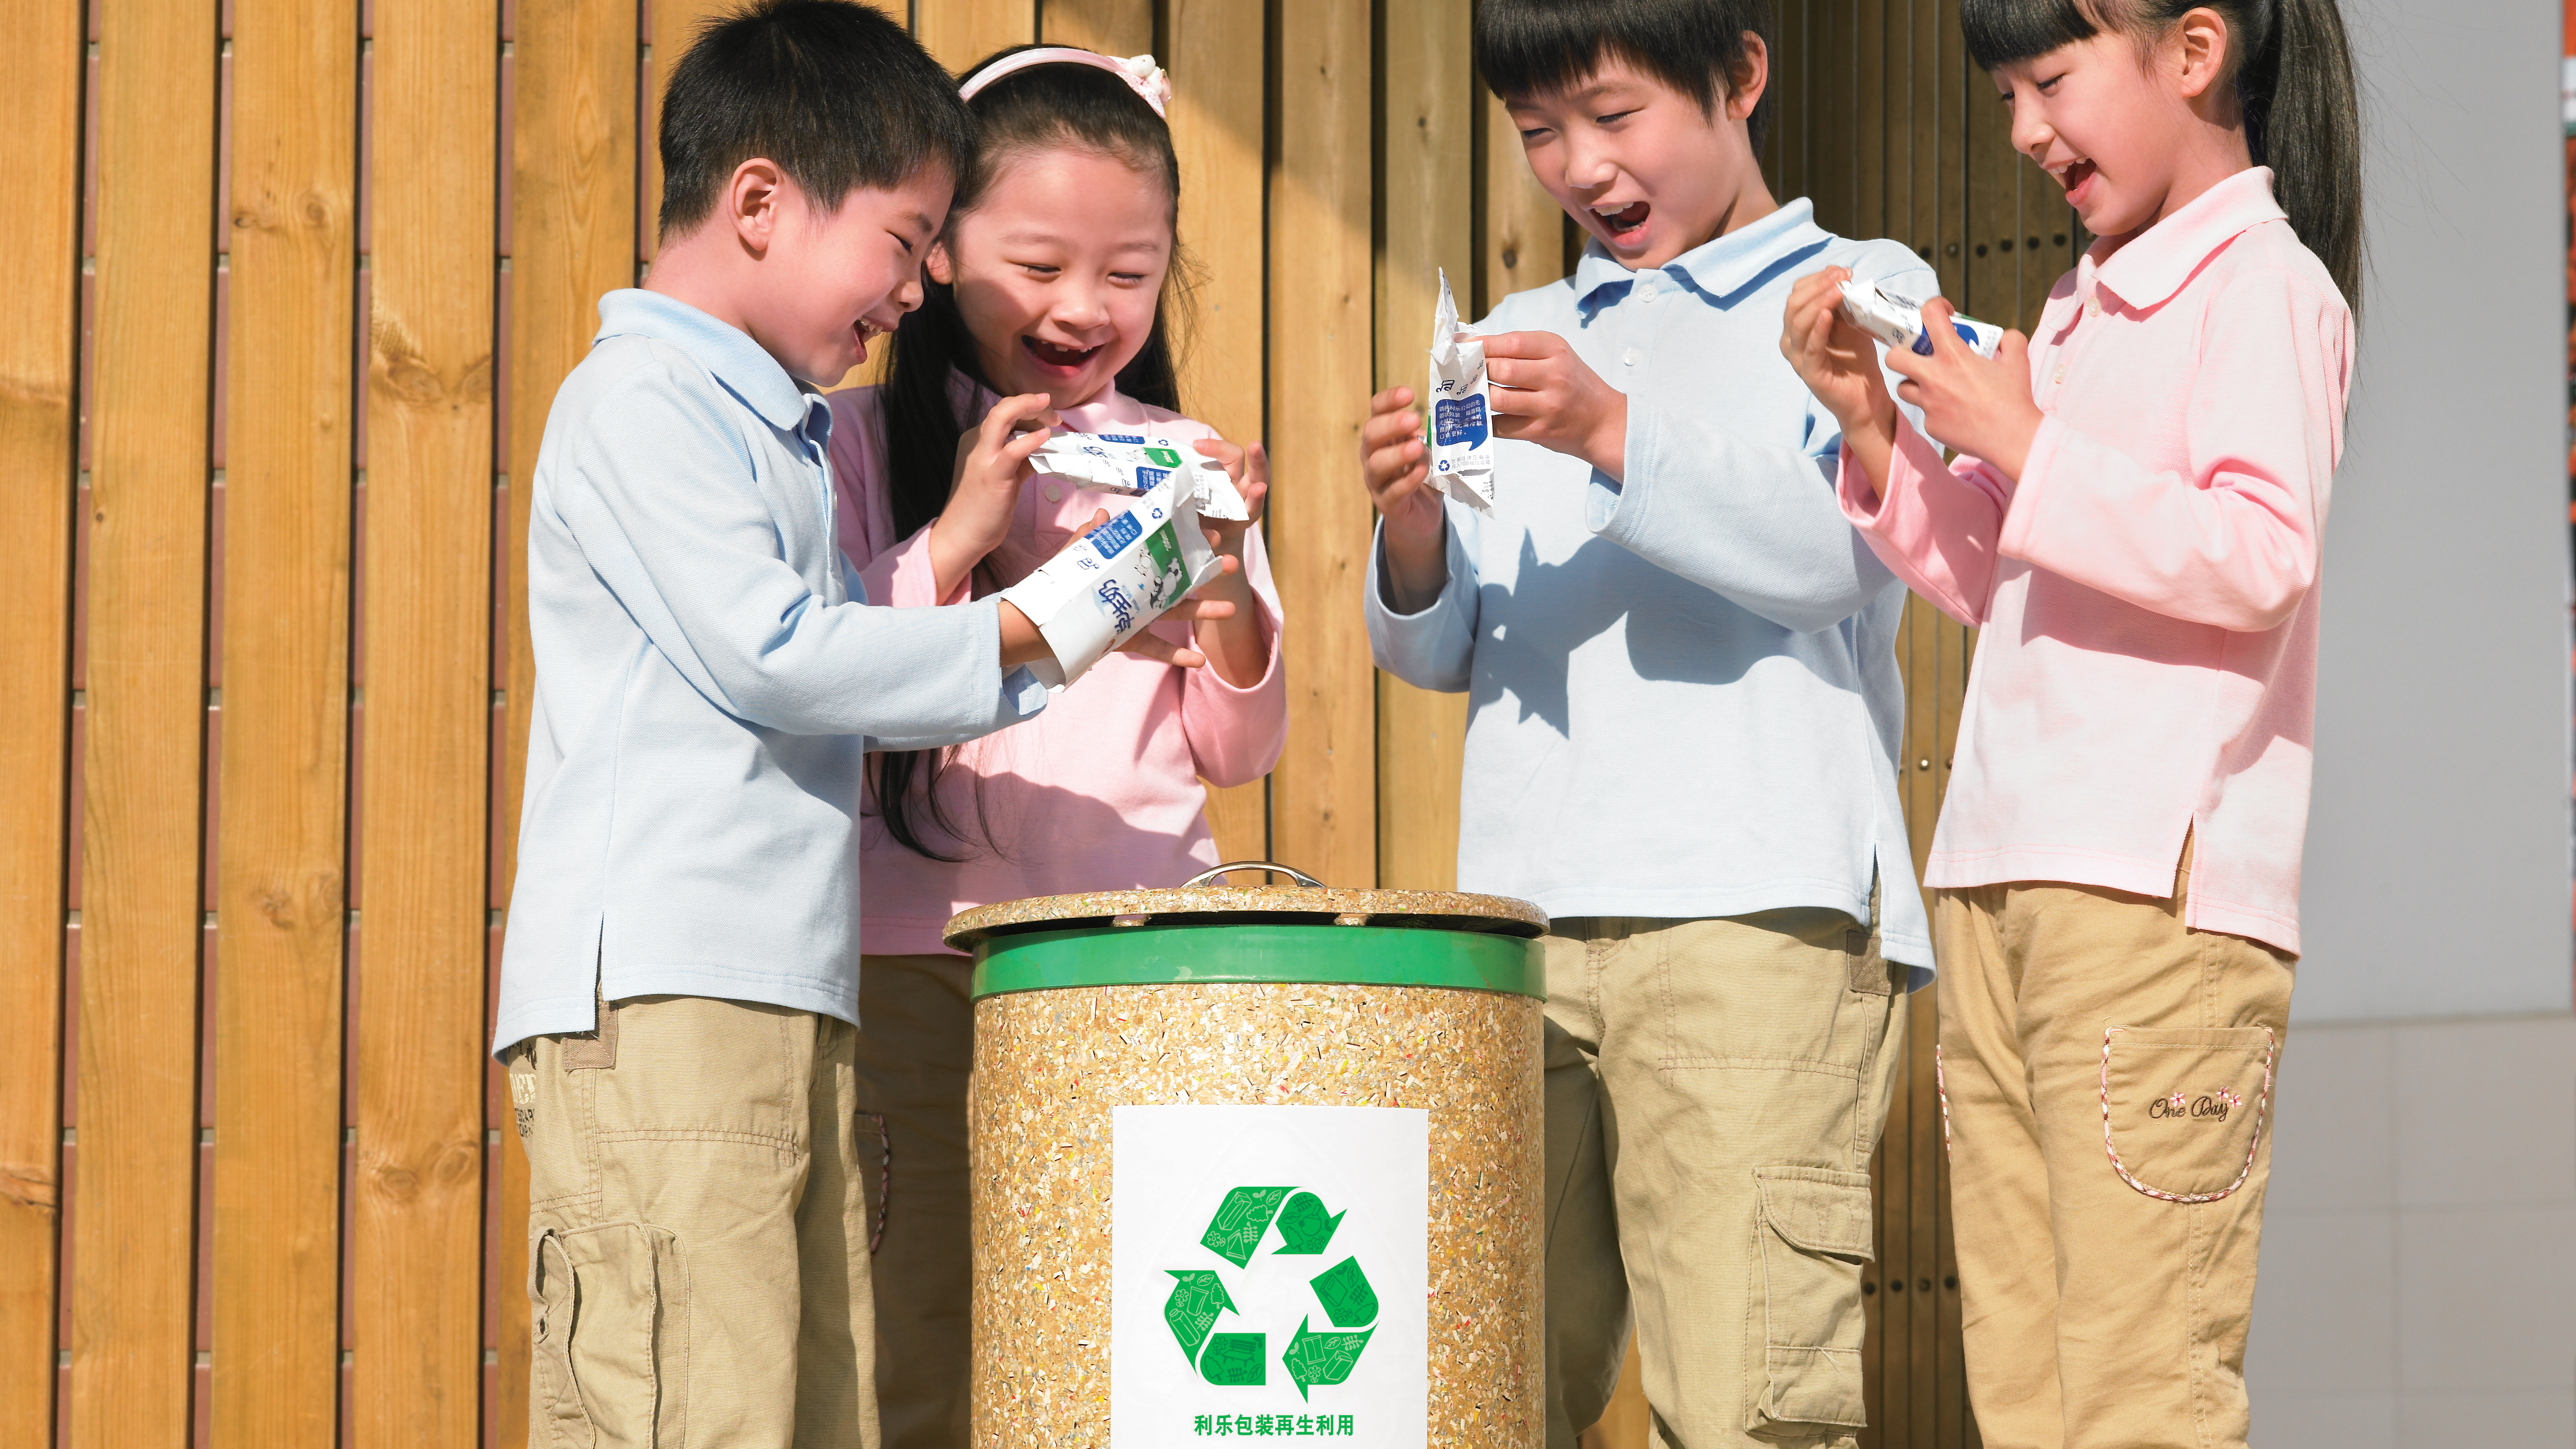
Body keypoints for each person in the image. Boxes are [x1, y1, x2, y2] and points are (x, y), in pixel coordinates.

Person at [490, 7, 1233, 1445]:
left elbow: (842, 655)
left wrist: (1070, 597)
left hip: (777, 982)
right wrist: (1036, 625)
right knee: (692, 1404)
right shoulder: (642, 397)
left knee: (801, 1398)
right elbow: (777, 656)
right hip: (665, 993)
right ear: (762, 201)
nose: (910, 294)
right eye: (902, 243)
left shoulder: (770, 421)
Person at [1357, 1, 1941, 1443]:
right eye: (1538, 131)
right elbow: (1440, 651)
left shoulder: (1860, 284)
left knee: (1750, 1399)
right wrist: (1414, 531)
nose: (1580, 167)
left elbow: (1839, 556)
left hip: (1763, 920)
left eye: (1614, 118)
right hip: (1520, 929)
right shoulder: (1515, 336)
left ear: (1742, 72)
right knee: (1486, 1390)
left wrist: (1615, 429)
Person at [1777, 0, 2359, 1439]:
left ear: (2193, 50)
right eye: (2005, 95)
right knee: (2027, 1389)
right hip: (2003, 881)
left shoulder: (2262, 284)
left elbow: (2259, 556)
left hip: (2151, 905)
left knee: (2138, 1387)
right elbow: (2007, 569)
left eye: (2049, 79)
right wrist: (1877, 431)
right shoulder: (2081, 299)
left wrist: (2026, 440)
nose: (2027, 128)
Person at [823, 44, 1288, 1449]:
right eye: (1037, 263)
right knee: (910, 1343)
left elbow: (1237, 739)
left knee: (1134, 1345)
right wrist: (961, 535)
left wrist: (1226, 604)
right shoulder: (854, 441)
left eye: (1129, 274)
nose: (1084, 309)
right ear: (940, 243)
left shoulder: (1182, 449)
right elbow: (839, 688)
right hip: (912, 959)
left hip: (1130, 949)